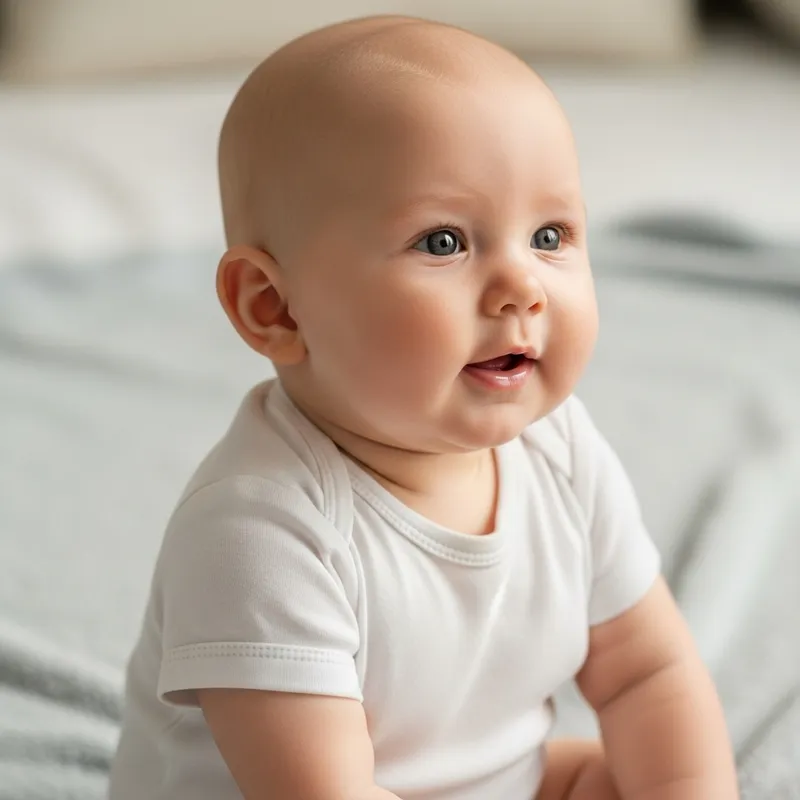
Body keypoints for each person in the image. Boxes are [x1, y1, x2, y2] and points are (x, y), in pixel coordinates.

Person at [108, 15, 739, 800]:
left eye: (550, 234)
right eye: (444, 243)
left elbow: (647, 671)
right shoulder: (259, 530)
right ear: (276, 307)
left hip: (498, 783)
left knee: (641, 777)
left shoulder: (560, 448)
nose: (523, 287)